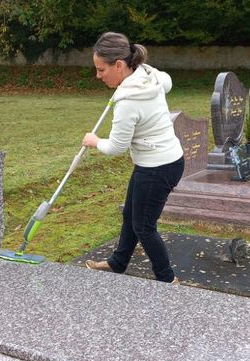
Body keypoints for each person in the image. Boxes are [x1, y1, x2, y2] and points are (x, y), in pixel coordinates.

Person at [82, 32, 185, 284]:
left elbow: (117, 147)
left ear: (119, 65)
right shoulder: (148, 74)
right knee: (130, 214)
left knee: (144, 227)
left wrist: (94, 142)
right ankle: (118, 264)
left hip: (157, 167)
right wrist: (157, 81)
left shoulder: (127, 101)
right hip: (162, 161)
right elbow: (168, 81)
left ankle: (168, 280)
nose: (98, 75)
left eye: (101, 69)